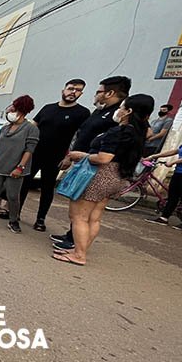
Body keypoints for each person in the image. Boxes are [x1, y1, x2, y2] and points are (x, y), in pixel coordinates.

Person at [53, 94, 150, 266]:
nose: (118, 111)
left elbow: (104, 158)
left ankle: (79, 254)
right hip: (118, 177)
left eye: (122, 107)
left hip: (100, 175)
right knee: (94, 218)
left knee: (79, 216)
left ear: (128, 111)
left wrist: (81, 155)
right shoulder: (139, 133)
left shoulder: (118, 132)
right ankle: (79, 250)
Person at [51, 76, 131, 252]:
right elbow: (82, 135)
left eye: (99, 91)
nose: (96, 95)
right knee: (81, 211)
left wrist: (83, 156)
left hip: (95, 167)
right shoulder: (100, 111)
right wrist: (71, 156)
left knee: (83, 213)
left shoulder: (117, 116)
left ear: (110, 93)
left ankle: (77, 246)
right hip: (84, 162)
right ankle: (73, 237)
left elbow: (108, 149)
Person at [17, 79, 90, 231]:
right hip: (35, 153)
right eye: (70, 88)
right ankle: (15, 213)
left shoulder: (82, 113)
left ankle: (40, 219)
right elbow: (33, 128)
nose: (73, 92)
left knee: (47, 188)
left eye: (77, 90)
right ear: (63, 90)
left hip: (56, 157)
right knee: (24, 184)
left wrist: (69, 157)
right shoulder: (48, 108)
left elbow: (80, 137)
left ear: (81, 94)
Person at [0, 95, 39, 233]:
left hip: (15, 169)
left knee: (13, 196)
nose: (10, 109)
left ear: (21, 109)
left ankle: (13, 220)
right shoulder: (5, 128)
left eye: (14, 107)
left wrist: (20, 167)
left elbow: (29, 150)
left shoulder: (31, 129)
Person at [144, 140, 182, 229]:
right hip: (178, 172)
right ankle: (164, 218)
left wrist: (173, 162)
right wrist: (155, 156)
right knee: (173, 197)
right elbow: (174, 151)